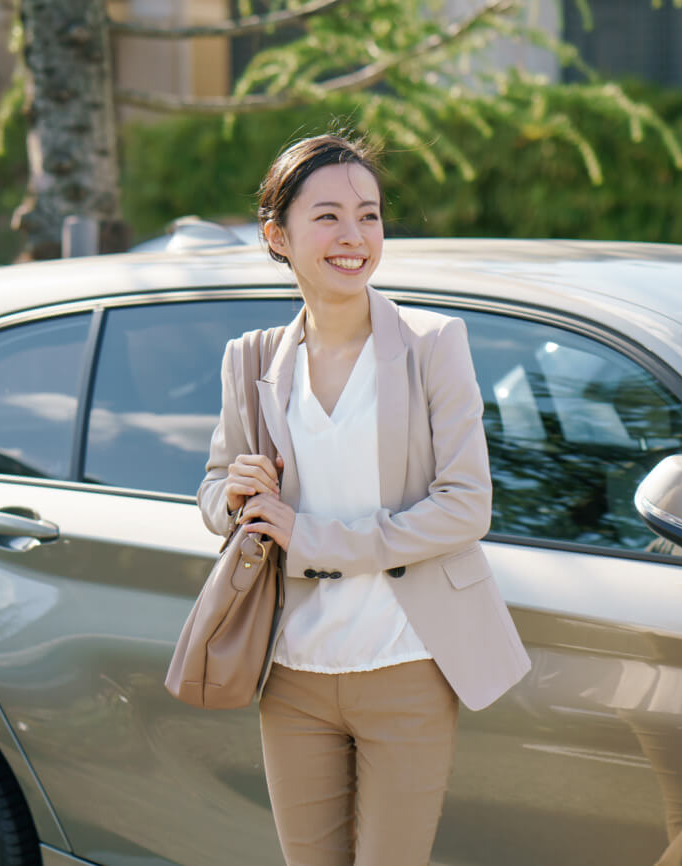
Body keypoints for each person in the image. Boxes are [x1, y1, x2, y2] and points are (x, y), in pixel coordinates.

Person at [197, 133, 531, 866]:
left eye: (370, 215)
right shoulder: (252, 360)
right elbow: (216, 491)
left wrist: (314, 539)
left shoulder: (432, 344)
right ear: (277, 236)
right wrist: (237, 494)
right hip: (292, 674)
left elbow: (466, 505)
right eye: (328, 217)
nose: (354, 237)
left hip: (405, 666)